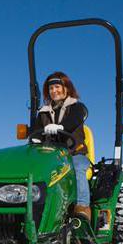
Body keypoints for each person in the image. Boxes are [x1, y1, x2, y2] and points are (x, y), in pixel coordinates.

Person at [30, 71, 92, 221]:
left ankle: (82, 207)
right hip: (51, 156)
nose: (54, 91)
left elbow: (74, 121)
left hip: (74, 154)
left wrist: (60, 127)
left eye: (57, 87)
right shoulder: (43, 113)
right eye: (51, 88)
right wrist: (37, 138)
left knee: (77, 167)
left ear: (66, 88)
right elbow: (35, 132)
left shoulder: (77, 107)